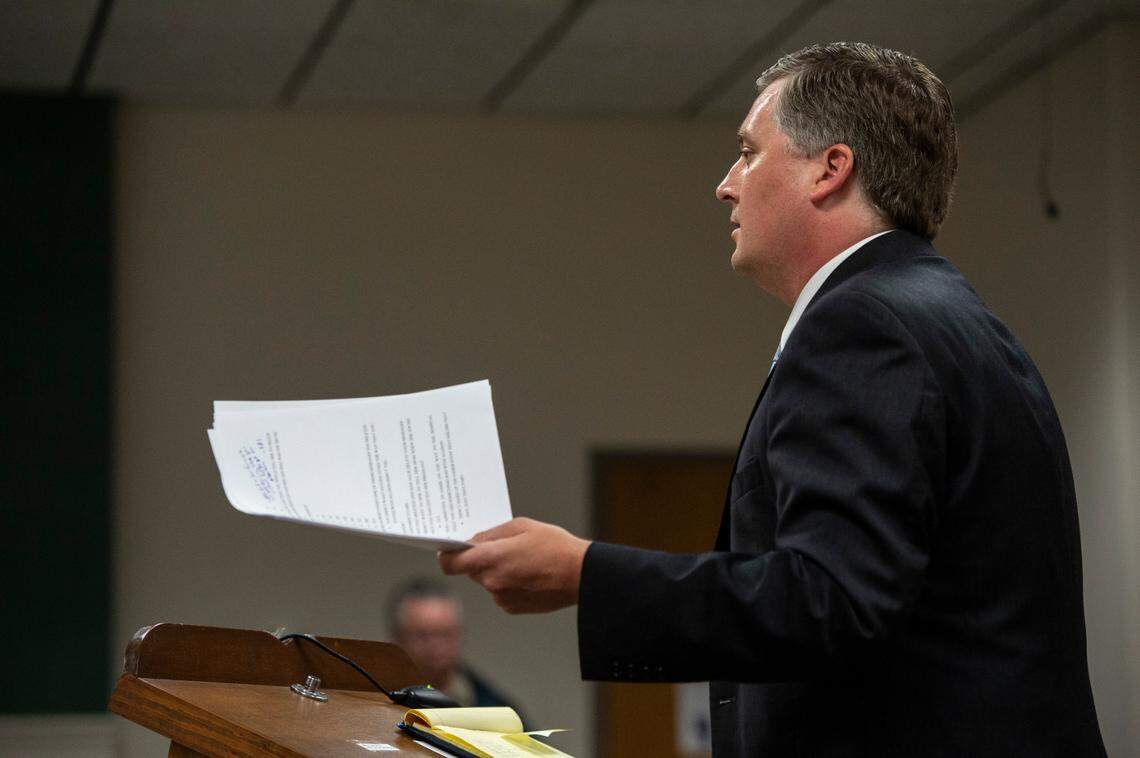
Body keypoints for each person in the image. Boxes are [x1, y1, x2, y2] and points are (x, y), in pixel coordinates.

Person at [439, 42, 1106, 757]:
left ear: (830, 169)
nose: (725, 186)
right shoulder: (952, 317)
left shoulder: (864, 325)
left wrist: (585, 573)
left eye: (748, 153)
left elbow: (829, 601)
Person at [386, 577, 522, 714]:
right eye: (422, 635)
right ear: (397, 637)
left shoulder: (495, 708)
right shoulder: (380, 700)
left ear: (460, 633)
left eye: (445, 634)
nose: (435, 645)